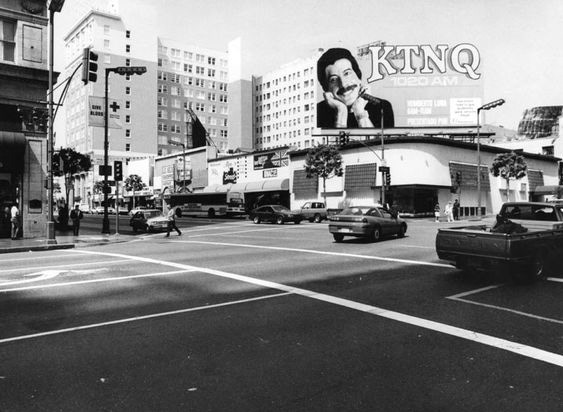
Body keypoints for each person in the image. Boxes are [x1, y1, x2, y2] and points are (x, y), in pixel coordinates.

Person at [316, 47, 394, 129]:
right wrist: (341, 111)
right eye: (333, 80)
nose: (343, 84)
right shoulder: (317, 113)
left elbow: (376, 138)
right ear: (326, 88)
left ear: (358, 77)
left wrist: (359, 112)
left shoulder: (381, 107)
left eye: (347, 73)